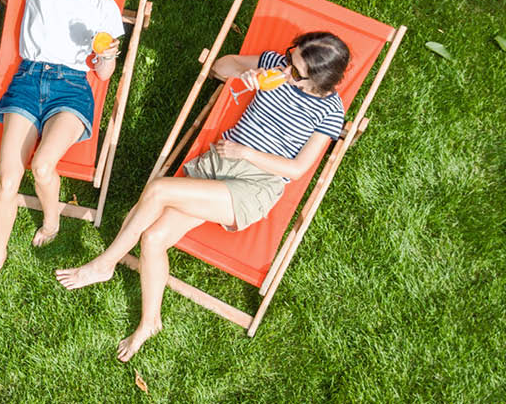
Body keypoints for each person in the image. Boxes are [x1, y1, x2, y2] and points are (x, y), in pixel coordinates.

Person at [56, 31, 350, 361]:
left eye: (296, 72)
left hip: (255, 183)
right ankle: (150, 322)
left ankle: (105, 264)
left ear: (319, 81)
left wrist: (246, 154)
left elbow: (297, 169)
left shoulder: (329, 111)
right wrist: (245, 74)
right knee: (152, 238)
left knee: (158, 190)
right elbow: (219, 67)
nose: (285, 71)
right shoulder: (273, 63)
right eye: (289, 57)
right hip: (217, 162)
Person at [0, 0, 126, 300]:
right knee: (7, 179)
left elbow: (104, 76)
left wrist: (106, 57)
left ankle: (52, 220)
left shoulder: (104, 4)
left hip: (72, 88)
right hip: (27, 80)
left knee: (41, 166)